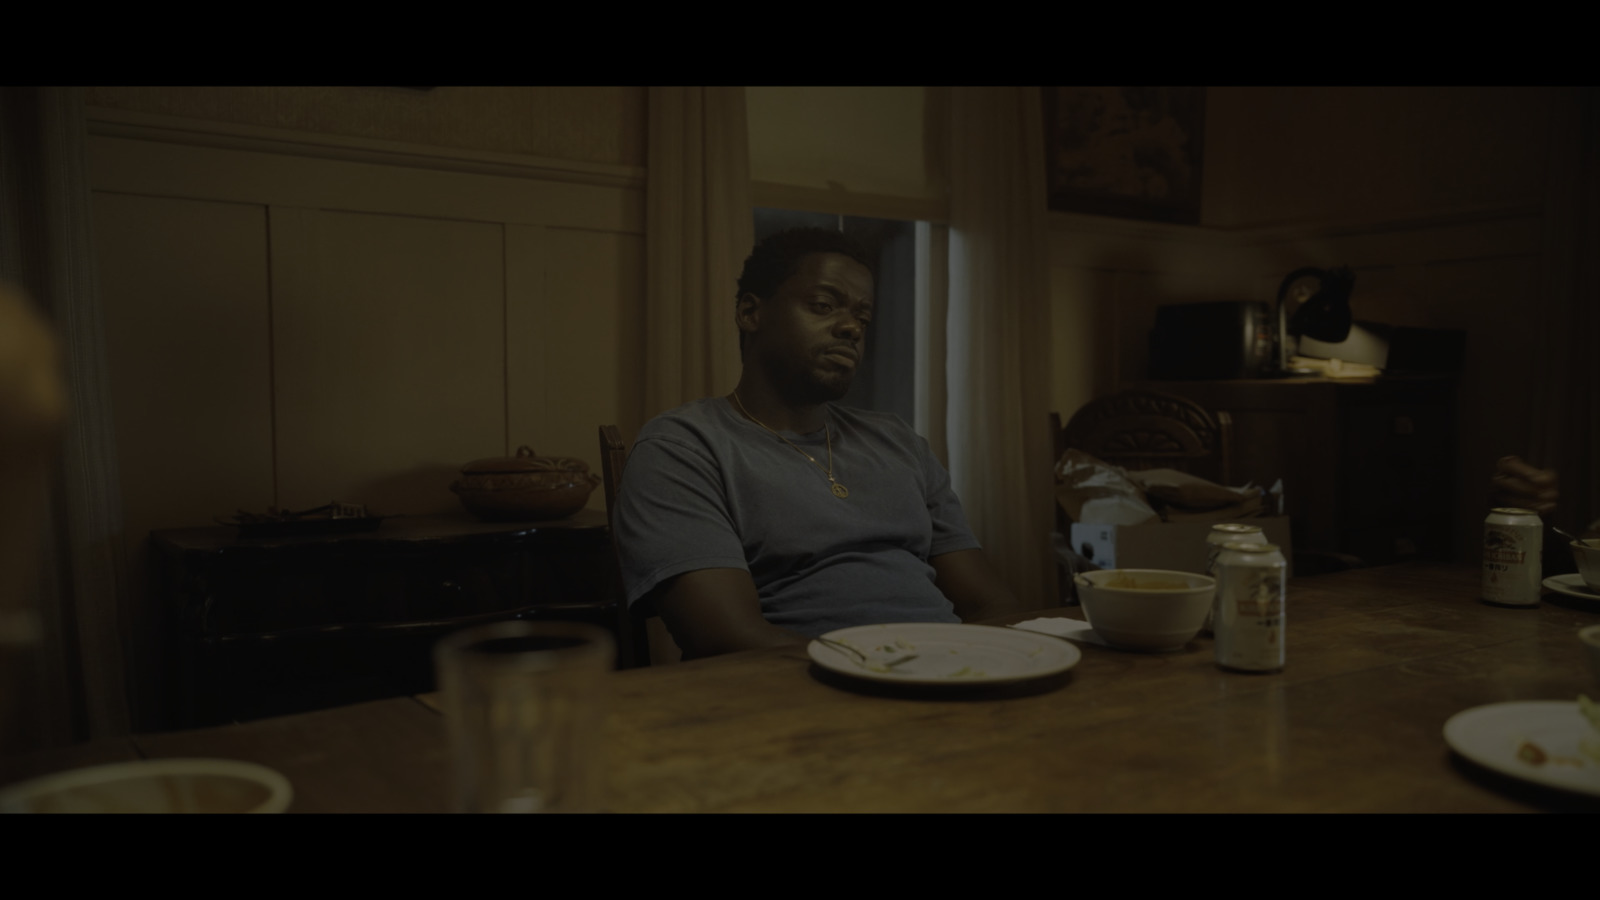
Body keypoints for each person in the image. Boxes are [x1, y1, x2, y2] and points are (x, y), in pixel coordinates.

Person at [613, 228, 1023, 659]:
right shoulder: (683, 448)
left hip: (951, 678)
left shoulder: (898, 441)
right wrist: (893, 671)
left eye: (862, 318)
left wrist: (991, 664)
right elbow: (725, 637)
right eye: (824, 306)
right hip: (800, 693)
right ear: (751, 313)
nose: (850, 327)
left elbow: (990, 604)